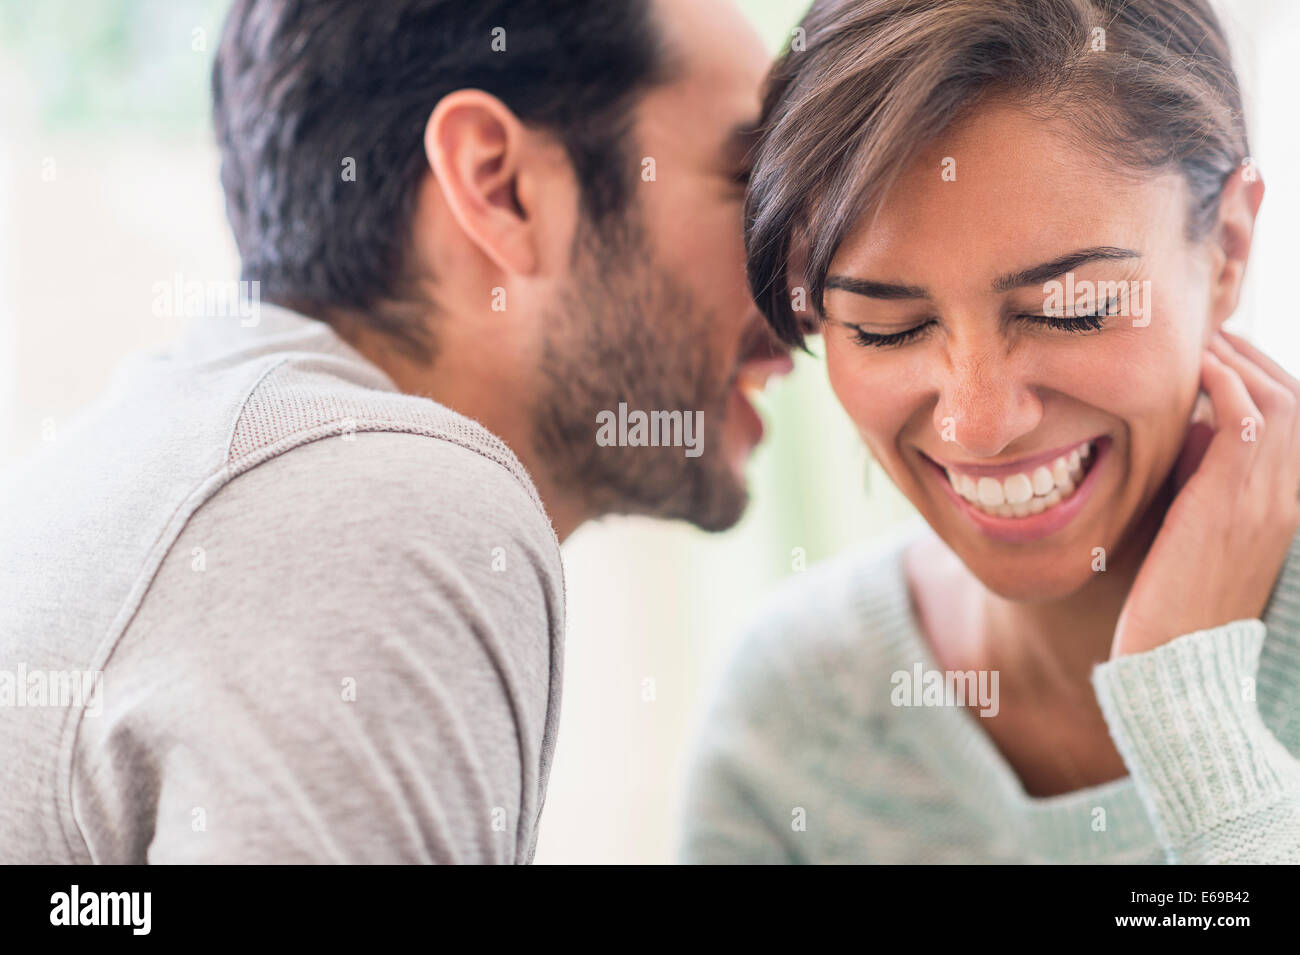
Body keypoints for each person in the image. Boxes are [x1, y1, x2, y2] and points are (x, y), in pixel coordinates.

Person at [0, 0, 788, 863]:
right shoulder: (368, 496)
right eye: (751, 187)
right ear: (500, 186)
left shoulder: (198, 455)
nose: (811, 290)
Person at [680, 0, 1300, 863]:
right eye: (885, 327)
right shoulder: (792, 719)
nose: (976, 424)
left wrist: (1188, 714)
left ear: (1228, 249)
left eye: (1065, 309)